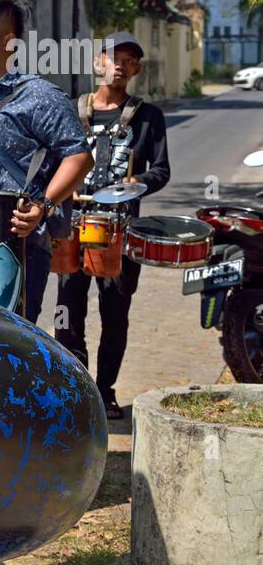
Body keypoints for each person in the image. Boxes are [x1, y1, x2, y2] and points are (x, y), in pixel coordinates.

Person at [54, 32, 169, 420]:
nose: (118, 65)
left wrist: (141, 183)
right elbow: (52, 159)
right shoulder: (72, 110)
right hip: (72, 224)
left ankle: (105, 392)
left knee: (114, 312)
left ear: (136, 69)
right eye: (111, 58)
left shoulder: (148, 116)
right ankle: (74, 390)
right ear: (96, 63)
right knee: (67, 311)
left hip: (119, 228)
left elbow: (161, 169)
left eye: (128, 60)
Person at [0, 0, 94, 323]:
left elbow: (79, 157)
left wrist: (43, 206)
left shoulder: (41, 95)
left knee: (11, 336)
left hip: (19, 241)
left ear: (9, 42)